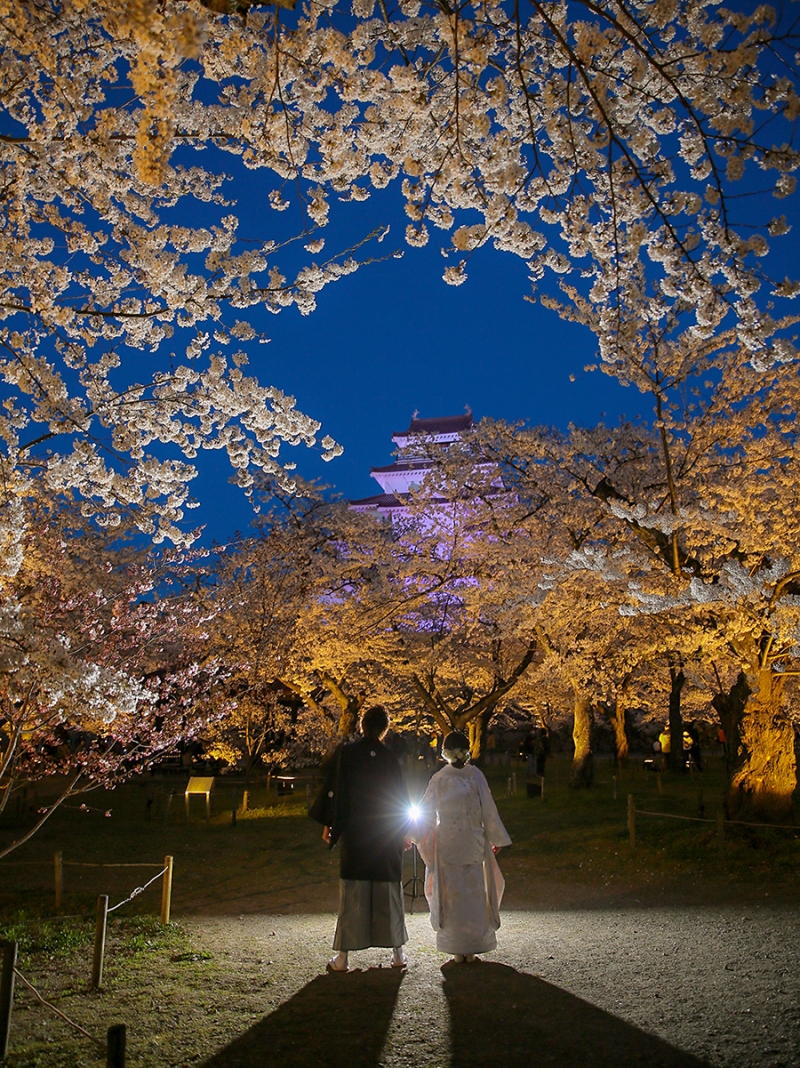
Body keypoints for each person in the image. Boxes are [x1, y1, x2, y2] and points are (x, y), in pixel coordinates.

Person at [309, 705, 410, 973]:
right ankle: (398, 954)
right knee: (388, 892)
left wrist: (331, 825)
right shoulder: (390, 758)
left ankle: (342, 959)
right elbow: (400, 798)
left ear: (362, 725)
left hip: (356, 835)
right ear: (384, 729)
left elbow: (337, 791)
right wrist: (403, 832)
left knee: (352, 894)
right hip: (386, 835)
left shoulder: (348, 754)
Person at [412, 730, 511, 964]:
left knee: (452, 898)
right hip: (473, 842)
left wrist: (413, 833)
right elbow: (488, 809)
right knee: (474, 895)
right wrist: (494, 837)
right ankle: (471, 947)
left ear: (445, 753)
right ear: (466, 753)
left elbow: (426, 811)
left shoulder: (440, 779)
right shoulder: (476, 776)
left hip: (448, 844)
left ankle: (457, 949)